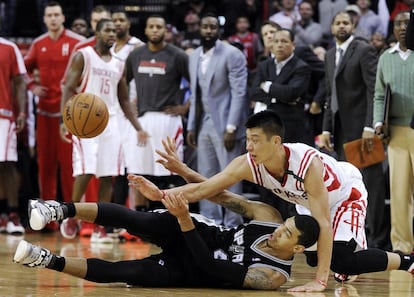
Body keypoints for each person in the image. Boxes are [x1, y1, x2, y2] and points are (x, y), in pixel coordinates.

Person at [129, 110, 414, 292]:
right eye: (247, 139)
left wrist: (319, 282)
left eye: (254, 140)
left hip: (343, 196)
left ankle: (407, 261)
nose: (248, 146)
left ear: (276, 142)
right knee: (314, 255)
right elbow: (207, 190)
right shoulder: (247, 162)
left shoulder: (307, 165)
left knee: (341, 259)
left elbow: (324, 224)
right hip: (308, 202)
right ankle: (343, 264)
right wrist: (163, 195)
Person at [15, 168, 320, 289]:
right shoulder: (269, 216)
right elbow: (220, 194)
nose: (278, 231)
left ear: (296, 249)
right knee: (139, 220)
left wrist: (184, 217)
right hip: (199, 232)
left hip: (191, 272)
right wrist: (173, 183)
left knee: (126, 272)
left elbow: (208, 264)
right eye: (285, 225)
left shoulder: (271, 276)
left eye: (287, 234)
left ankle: (43, 259)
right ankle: (55, 208)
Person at [60, 18, 147, 243]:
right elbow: (68, 87)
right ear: (96, 33)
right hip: (84, 121)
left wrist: (138, 127)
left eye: (113, 30)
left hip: (110, 122)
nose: (112, 33)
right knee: (87, 170)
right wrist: (65, 120)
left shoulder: (119, 63)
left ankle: (99, 226)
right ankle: (70, 214)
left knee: (108, 175)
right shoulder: (84, 56)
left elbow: (124, 99)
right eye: (107, 30)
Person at [320, 11, 388, 249]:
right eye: (337, 22)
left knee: (372, 185)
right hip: (339, 130)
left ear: (353, 26)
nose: (341, 26)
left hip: (362, 130)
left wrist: (370, 126)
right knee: (349, 187)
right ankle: (355, 237)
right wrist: (326, 129)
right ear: (331, 27)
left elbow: (373, 91)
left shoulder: (364, 50)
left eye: (345, 22)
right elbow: (330, 95)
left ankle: (378, 239)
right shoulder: (329, 55)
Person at [23, 2, 85, 232]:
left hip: (69, 114)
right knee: (45, 166)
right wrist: (32, 85)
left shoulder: (76, 42)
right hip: (45, 114)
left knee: (70, 168)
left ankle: (71, 217)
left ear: (63, 18)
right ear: (44, 19)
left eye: (57, 15)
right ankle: (46, 219)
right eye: (49, 15)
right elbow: (23, 69)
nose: (53, 19)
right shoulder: (38, 44)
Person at [186, 14, 249, 228]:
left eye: (213, 27)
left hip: (225, 124)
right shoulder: (194, 55)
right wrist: (191, 125)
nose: (209, 30)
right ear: (199, 29)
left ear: (219, 30)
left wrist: (232, 127)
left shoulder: (233, 54)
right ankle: (210, 224)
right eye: (205, 26)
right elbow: (195, 94)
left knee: (231, 177)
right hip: (203, 122)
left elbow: (239, 93)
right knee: (206, 176)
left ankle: (234, 225)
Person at [124, 15, 190, 212]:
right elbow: (123, 84)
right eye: (151, 26)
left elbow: (198, 85)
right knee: (139, 172)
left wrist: (185, 107)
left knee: (170, 172)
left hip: (167, 120)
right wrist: (128, 104)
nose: (155, 30)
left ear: (165, 31)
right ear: (145, 30)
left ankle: (172, 217)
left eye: (159, 27)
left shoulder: (178, 55)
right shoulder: (135, 55)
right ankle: (140, 220)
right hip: (142, 120)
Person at [373, 11, 413, 254]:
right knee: (398, 193)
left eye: (407, 23)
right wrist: (378, 122)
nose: (403, 27)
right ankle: (402, 246)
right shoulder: (385, 57)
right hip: (396, 132)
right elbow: (379, 94)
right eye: (398, 23)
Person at [250, 28, 311, 145]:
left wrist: (266, 86)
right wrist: (278, 97)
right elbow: (253, 92)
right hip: (266, 123)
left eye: (284, 41)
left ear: (293, 45)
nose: (279, 45)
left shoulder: (301, 67)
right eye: (276, 41)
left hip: (291, 126)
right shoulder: (265, 65)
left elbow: (291, 93)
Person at [0, 36, 27, 235]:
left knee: (6, 165)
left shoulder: (10, 48)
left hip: (4, 114)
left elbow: (20, 82)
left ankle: (12, 214)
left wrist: (23, 112)